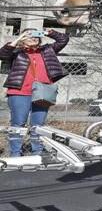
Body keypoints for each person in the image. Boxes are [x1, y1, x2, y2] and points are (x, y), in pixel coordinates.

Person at [0, 29, 70, 157]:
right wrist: (19, 38)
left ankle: (37, 151)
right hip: (19, 92)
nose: (33, 38)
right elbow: (3, 54)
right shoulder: (16, 52)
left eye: (36, 36)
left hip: (43, 92)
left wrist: (49, 32)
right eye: (29, 36)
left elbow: (63, 39)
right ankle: (15, 153)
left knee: (38, 124)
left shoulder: (47, 50)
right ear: (23, 39)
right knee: (18, 123)